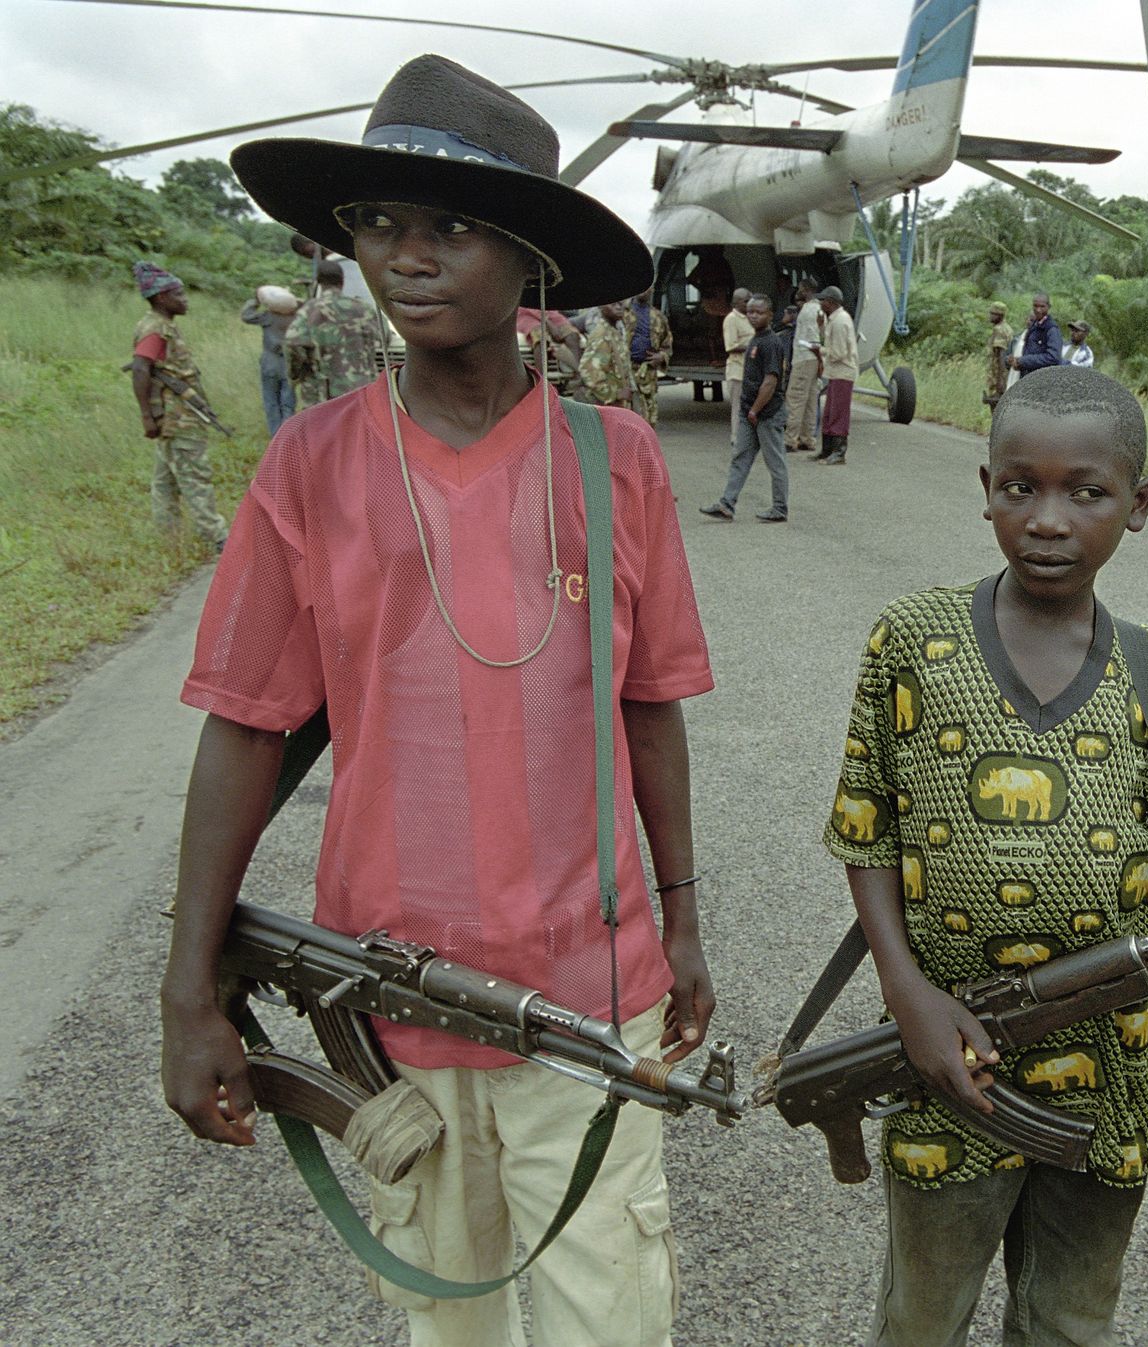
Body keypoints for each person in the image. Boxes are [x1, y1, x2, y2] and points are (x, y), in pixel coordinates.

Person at [167, 55, 716, 1347]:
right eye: (376, 226)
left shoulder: (616, 461)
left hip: (591, 992)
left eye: (451, 225)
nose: (404, 257)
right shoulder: (311, 462)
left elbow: (650, 704)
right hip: (388, 993)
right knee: (441, 1318)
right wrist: (187, 988)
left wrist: (682, 921)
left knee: (610, 1318)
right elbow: (246, 722)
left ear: (529, 258)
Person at [825, 365, 1148, 1347]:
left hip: (1108, 1070)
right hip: (949, 1057)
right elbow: (864, 833)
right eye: (1017, 487)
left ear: (1139, 503)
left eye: (1086, 492)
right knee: (922, 1312)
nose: (1047, 519)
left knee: (1070, 1316)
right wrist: (908, 997)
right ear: (984, 485)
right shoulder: (910, 640)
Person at [130, 261, 230, 551]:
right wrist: (146, 416)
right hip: (179, 419)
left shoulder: (162, 326)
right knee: (195, 477)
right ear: (162, 297)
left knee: (164, 481)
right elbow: (140, 369)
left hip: (176, 418)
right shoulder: (156, 329)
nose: (184, 300)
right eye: (179, 294)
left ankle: (169, 536)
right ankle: (217, 536)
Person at [699, 294, 789, 524]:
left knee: (774, 461)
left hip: (767, 414)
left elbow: (770, 381)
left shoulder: (771, 343)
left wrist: (755, 410)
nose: (753, 316)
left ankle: (780, 507)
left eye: (759, 312)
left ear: (770, 315)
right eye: (750, 311)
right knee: (740, 457)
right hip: (751, 412)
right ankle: (727, 504)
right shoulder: (755, 340)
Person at [285, 259, 383, 408]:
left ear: (319, 282)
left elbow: (293, 342)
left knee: (324, 430)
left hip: (324, 394)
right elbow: (384, 339)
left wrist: (296, 374)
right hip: (364, 390)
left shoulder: (311, 310)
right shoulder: (364, 309)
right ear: (342, 281)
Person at [240, 285, 299, 434]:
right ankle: (288, 436)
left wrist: (255, 300)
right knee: (288, 402)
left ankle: (275, 436)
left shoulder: (268, 316)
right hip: (289, 362)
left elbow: (246, 316)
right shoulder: (296, 317)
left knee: (271, 401)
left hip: (270, 362)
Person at [812, 285, 858, 465]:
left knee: (838, 412)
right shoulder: (834, 319)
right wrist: (822, 327)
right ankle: (827, 450)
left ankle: (839, 452)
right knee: (830, 411)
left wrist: (819, 350)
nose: (820, 303)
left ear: (830, 303)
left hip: (842, 372)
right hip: (836, 372)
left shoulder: (839, 322)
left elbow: (838, 353)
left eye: (822, 300)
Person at [784, 277, 823, 454]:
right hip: (813, 360)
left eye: (800, 289)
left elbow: (813, 341)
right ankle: (808, 438)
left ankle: (790, 439)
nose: (797, 291)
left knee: (795, 397)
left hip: (804, 358)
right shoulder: (818, 309)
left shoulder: (808, 311)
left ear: (806, 290)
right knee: (810, 400)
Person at [579, 300, 635, 410]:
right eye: (613, 304)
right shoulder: (602, 334)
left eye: (620, 303)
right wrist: (615, 394)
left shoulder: (614, 331)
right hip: (609, 406)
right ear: (601, 307)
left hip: (619, 405)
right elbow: (587, 370)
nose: (618, 307)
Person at [629, 288, 671, 424]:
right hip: (625, 373)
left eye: (647, 287)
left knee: (649, 418)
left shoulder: (658, 317)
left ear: (652, 289)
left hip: (648, 375)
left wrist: (662, 356)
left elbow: (667, 344)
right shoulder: (622, 314)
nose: (644, 291)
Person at [722, 286, 753, 439]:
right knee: (738, 408)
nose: (749, 304)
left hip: (748, 372)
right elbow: (731, 346)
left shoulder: (748, 318)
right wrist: (753, 346)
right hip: (737, 372)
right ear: (738, 302)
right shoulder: (731, 319)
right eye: (747, 301)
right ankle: (737, 438)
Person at [1007, 293, 1062, 377]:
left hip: (1042, 378)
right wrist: (1016, 362)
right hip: (1028, 376)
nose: (1038, 310)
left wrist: (1023, 361)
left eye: (1042, 306)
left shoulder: (1051, 329)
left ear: (1048, 307)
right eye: (1035, 306)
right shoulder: (1034, 325)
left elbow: (1053, 357)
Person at [983, 301, 1013, 407]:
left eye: (993, 314)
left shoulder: (999, 330)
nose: (990, 316)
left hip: (998, 375)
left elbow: (1001, 354)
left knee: (996, 406)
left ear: (1000, 315)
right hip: (1004, 374)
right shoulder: (1007, 328)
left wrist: (1000, 381)